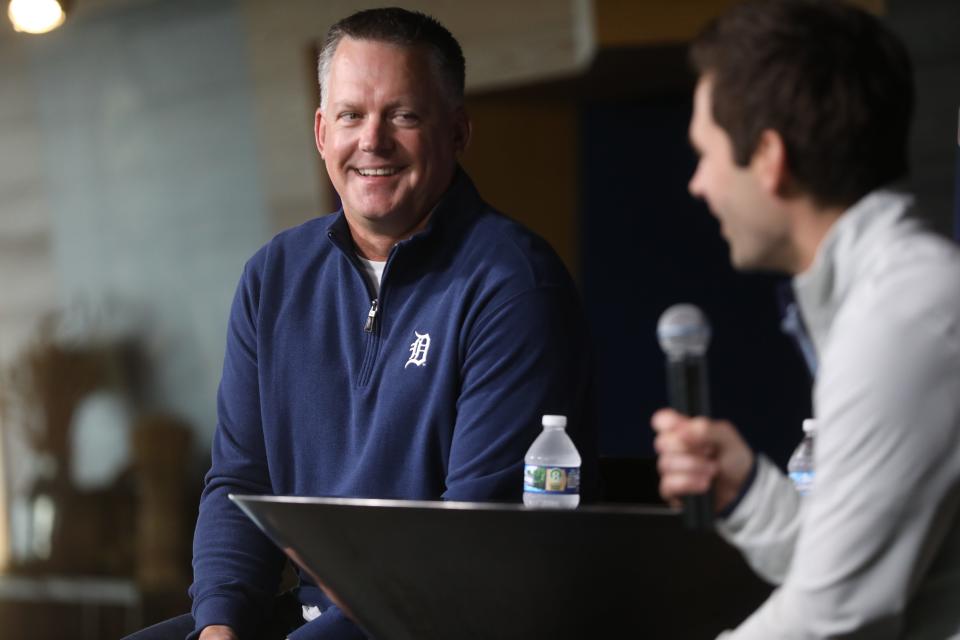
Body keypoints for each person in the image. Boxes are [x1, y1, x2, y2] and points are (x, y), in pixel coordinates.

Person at [124, 7, 593, 640]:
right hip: (308, 613)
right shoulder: (273, 276)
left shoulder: (513, 285)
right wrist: (220, 626)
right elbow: (241, 482)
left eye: (403, 115)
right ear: (321, 132)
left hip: (442, 621)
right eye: (351, 115)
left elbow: (469, 548)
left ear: (457, 132)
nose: (372, 141)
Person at [652, 1, 960, 637]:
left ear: (768, 157)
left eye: (706, 155)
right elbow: (867, 575)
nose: (698, 185)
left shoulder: (903, 317)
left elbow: (832, 619)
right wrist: (749, 496)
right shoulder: (886, 299)